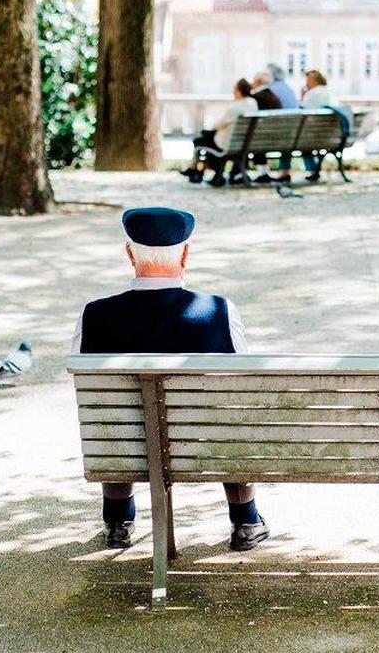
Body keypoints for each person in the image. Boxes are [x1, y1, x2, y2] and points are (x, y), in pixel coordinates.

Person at [72, 207, 269, 552]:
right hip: (204, 446)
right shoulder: (219, 311)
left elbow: (88, 385)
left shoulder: (94, 315)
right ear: (186, 255)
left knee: (114, 415)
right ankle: (246, 519)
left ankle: (117, 521)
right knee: (230, 412)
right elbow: (242, 380)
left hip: (126, 448)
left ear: (130, 254)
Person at [180, 79, 256, 187]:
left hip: (227, 144)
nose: (233, 92)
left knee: (200, 139)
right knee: (203, 138)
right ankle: (196, 170)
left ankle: (196, 170)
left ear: (239, 91)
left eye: (234, 90)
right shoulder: (253, 104)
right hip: (244, 144)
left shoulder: (235, 108)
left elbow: (216, 125)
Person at [276, 69, 332, 183]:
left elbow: (300, 111)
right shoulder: (328, 92)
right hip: (326, 135)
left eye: (307, 80)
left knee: (289, 140)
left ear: (313, 81)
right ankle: (312, 170)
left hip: (310, 135)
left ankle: (284, 172)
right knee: (304, 141)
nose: (306, 82)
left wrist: (302, 96)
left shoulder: (313, 93)